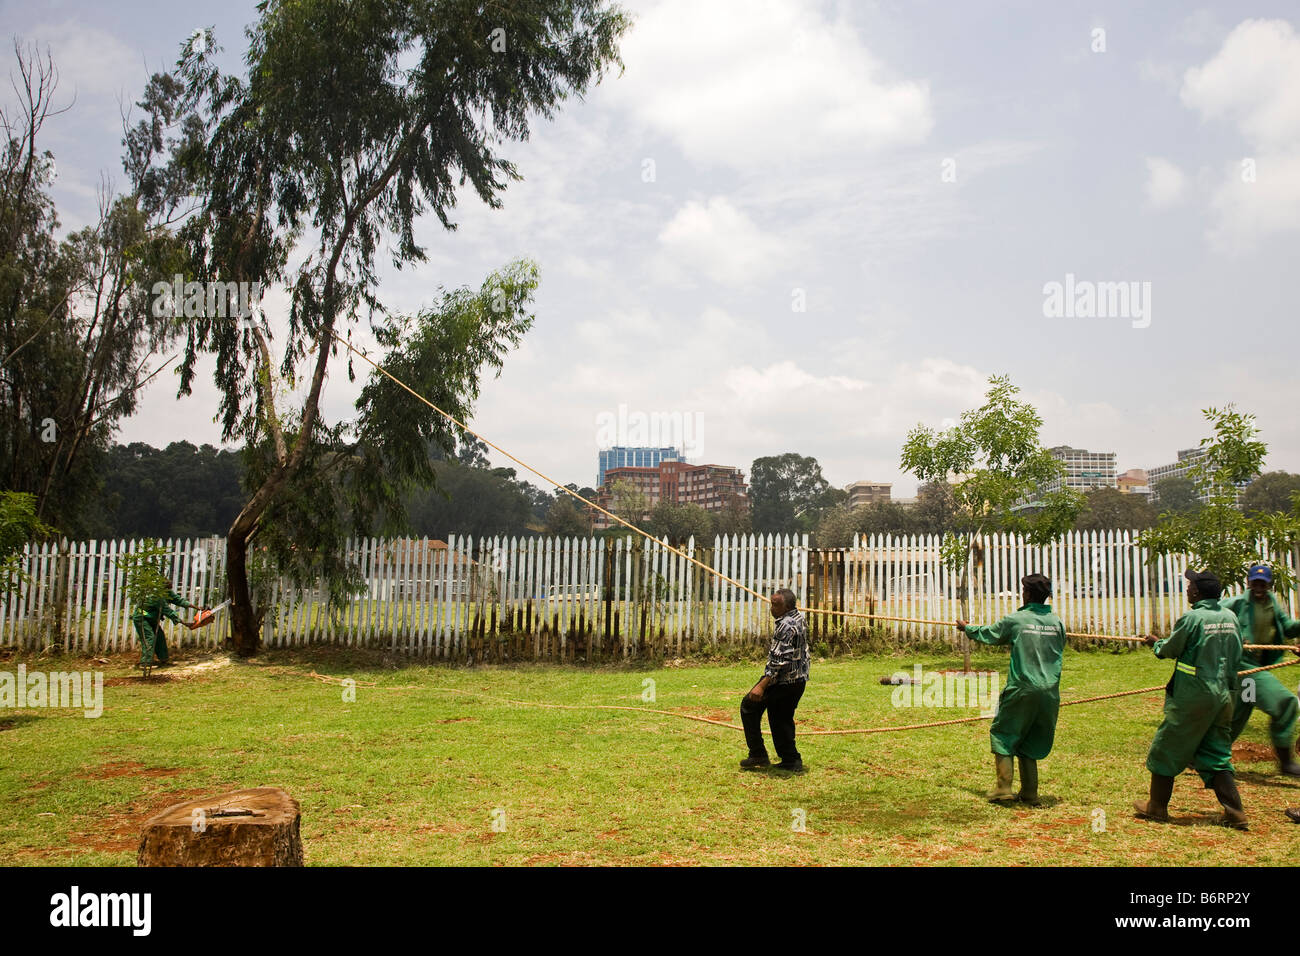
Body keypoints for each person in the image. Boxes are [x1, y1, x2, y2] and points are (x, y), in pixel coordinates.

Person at [1134, 569, 1247, 829]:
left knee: (1166, 747)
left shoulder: (1193, 617)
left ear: (1197, 591)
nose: (1186, 589)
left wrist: (1156, 644)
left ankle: (1157, 807)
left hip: (1194, 695)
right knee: (1216, 752)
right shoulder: (1230, 617)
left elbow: (1171, 649)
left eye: (1189, 585)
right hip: (1224, 695)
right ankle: (1235, 812)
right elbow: (1238, 651)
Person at [956, 573, 1065, 805]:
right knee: (1031, 739)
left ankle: (1004, 789)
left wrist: (968, 628)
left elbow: (991, 634)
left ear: (1026, 594)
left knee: (1004, 733)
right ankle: (1030, 793)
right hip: (1050, 691)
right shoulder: (1057, 623)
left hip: (1023, 687)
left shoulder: (1017, 620)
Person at [1220, 563, 1300, 776]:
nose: (1258, 587)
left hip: (1255, 667)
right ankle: (1286, 762)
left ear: (1269, 585)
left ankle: (1201, 755)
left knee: (1240, 711)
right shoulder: (1236, 603)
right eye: (1255, 582)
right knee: (1285, 703)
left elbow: (1288, 627)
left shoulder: (1271, 602)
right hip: (1243, 665)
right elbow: (1213, 613)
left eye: (1263, 583)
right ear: (1248, 582)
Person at [739, 588, 809, 773]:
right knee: (780, 717)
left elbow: (779, 659)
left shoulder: (785, 625)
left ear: (787, 606)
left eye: (776, 605)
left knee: (750, 706)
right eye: (771, 604)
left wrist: (762, 685)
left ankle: (765, 756)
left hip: (784, 679)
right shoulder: (798, 618)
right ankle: (787, 759)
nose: (772, 608)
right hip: (798, 678)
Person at [133, 585, 201, 674]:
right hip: (141, 618)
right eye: (168, 589)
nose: (169, 591)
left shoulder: (167, 593)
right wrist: (185, 623)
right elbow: (169, 612)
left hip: (151, 618)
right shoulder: (157, 597)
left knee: (159, 637)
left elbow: (178, 600)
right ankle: (145, 663)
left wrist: (197, 608)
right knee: (149, 638)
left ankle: (163, 659)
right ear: (163, 589)